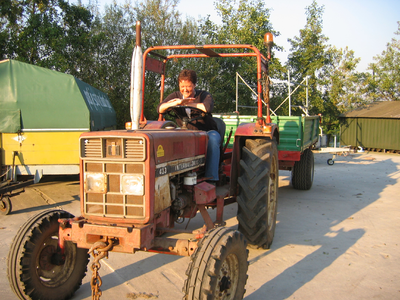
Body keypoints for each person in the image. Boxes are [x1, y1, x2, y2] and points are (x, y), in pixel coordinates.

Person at [157, 69, 221, 183]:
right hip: (184, 132)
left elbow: (207, 108)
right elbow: (160, 108)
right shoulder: (175, 96)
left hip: (206, 131)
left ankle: (211, 179)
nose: (185, 89)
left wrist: (188, 103)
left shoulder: (204, 95)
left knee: (213, 140)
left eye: (188, 86)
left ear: (194, 85)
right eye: (182, 86)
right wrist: (175, 103)